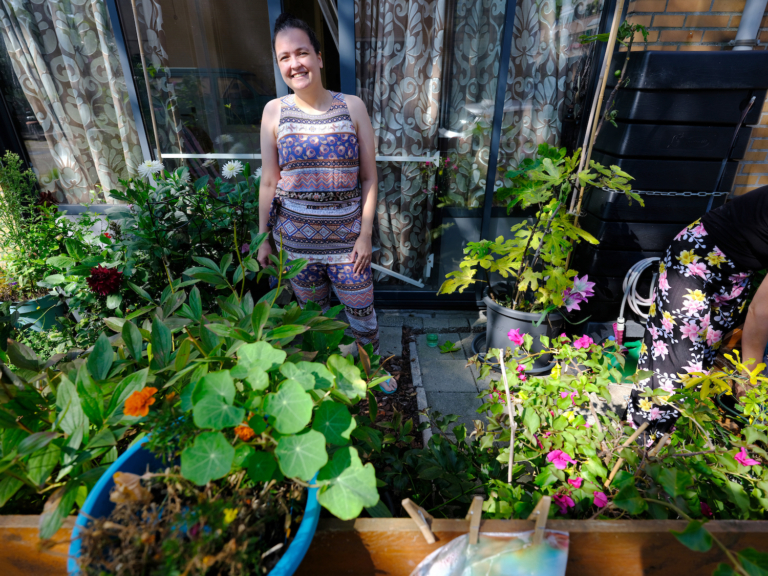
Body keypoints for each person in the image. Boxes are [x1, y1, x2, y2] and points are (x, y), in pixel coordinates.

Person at [257, 13, 396, 393]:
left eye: (301, 53)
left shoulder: (352, 107)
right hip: (295, 244)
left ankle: (372, 372)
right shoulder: (274, 112)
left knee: (362, 314)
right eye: (284, 57)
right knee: (312, 318)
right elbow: (269, 181)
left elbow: (369, 177)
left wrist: (365, 235)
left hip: (347, 242)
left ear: (319, 57)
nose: (293, 64)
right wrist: (262, 238)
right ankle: (324, 380)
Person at [628, 185, 768, 438]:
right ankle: (644, 442)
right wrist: (750, 379)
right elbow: (761, 312)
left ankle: (678, 442)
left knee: (701, 363)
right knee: (676, 362)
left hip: (735, 277)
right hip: (694, 263)